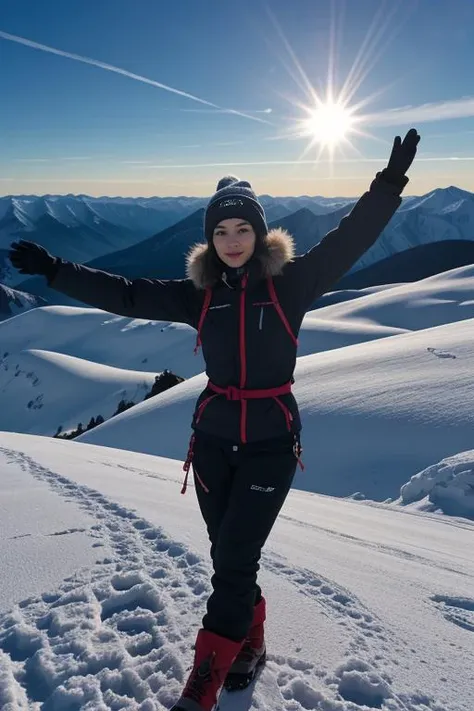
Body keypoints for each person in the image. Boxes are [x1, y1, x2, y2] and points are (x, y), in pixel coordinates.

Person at [8, 128, 420, 711]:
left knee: (233, 561)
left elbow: (351, 237)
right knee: (225, 552)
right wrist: (54, 271)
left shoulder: (292, 284)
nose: (231, 240)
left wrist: (389, 182)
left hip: (271, 444)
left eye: (242, 229)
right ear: (209, 240)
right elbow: (124, 294)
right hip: (211, 443)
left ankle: (200, 689)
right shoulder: (197, 296)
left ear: (260, 233)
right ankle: (249, 643)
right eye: (221, 231)